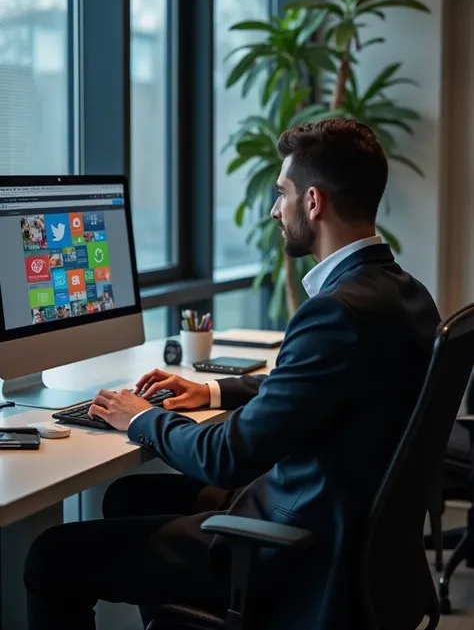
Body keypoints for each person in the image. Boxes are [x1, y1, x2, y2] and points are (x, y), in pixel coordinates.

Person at [24, 119, 441, 630]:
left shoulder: (336, 312)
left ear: (313, 202)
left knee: (52, 557)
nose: (273, 210)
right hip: (348, 527)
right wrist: (212, 389)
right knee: (127, 497)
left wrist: (140, 418)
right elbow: (316, 386)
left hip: (297, 548)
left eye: (281, 194)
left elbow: (225, 457)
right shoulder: (404, 293)